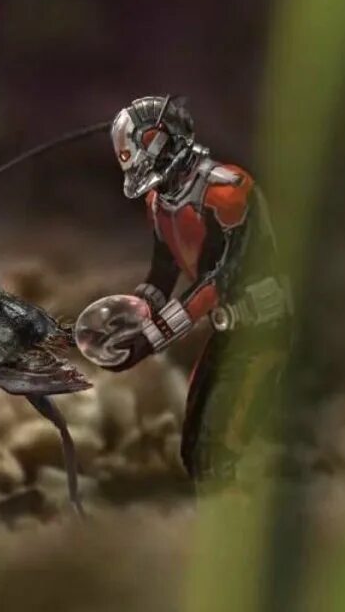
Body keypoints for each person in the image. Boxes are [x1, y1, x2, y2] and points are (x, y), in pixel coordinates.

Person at [97, 95, 292, 481]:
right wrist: (130, 318)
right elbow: (162, 274)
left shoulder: (229, 191)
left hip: (262, 328)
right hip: (225, 331)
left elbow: (221, 280)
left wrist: (150, 339)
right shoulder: (157, 202)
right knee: (193, 451)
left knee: (218, 449)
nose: (158, 182)